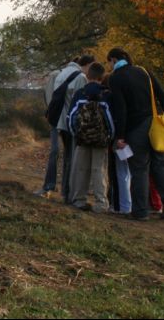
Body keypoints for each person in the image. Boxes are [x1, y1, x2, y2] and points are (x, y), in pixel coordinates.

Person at [106, 48, 164, 221]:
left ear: (114, 60)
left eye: (109, 62)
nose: (109, 66)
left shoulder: (116, 78)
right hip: (154, 124)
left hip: (134, 128)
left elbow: (121, 108)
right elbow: (162, 96)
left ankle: (140, 211)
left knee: (139, 168)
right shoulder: (144, 71)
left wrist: (120, 135)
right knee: (160, 164)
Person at [66, 62, 114, 213]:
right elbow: (110, 119)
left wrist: (76, 134)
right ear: (102, 77)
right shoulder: (106, 94)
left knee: (81, 169)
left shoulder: (80, 93)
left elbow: (71, 116)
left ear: (88, 76)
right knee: (99, 170)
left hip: (82, 138)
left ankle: (79, 199)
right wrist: (110, 136)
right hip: (100, 140)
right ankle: (101, 203)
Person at [52, 55, 95, 204]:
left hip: (61, 122)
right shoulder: (81, 77)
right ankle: (70, 193)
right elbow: (81, 103)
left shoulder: (62, 73)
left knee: (67, 158)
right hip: (72, 123)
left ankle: (65, 191)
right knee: (74, 160)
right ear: (88, 64)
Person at [102, 73, 132, 215]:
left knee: (118, 172)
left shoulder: (110, 98)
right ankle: (130, 204)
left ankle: (120, 206)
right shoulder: (131, 96)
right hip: (132, 137)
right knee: (129, 172)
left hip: (117, 139)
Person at [33, 68, 62, 198]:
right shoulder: (58, 76)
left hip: (56, 120)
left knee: (55, 152)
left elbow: (48, 98)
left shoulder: (55, 75)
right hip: (61, 120)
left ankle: (49, 186)